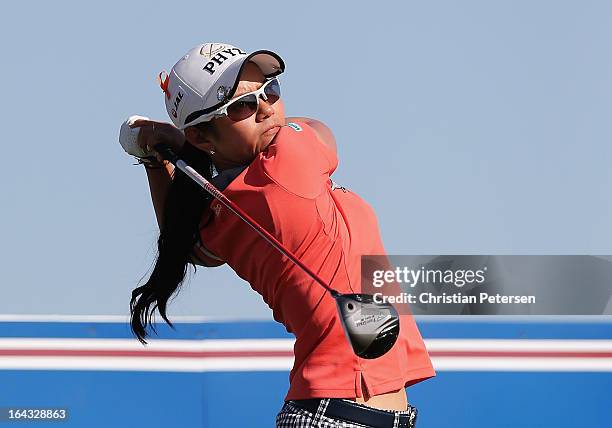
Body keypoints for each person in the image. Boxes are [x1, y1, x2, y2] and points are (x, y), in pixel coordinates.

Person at [125, 42, 435, 428]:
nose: (267, 108)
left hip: (343, 413)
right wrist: (176, 142)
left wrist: (157, 159)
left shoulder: (220, 214)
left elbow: (191, 246)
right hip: (343, 415)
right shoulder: (286, 161)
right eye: (242, 105)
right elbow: (323, 131)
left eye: (269, 89)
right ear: (204, 138)